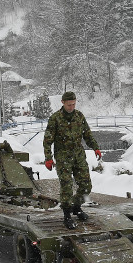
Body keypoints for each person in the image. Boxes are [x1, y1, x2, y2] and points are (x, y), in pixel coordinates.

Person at [43, 91, 102, 229]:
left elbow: (87, 135)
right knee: (66, 187)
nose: (71, 107)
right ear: (63, 103)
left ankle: (76, 206)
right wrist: (48, 158)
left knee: (86, 186)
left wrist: (95, 148)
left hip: (78, 156)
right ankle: (67, 215)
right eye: (69, 105)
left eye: (74, 104)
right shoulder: (55, 119)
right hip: (63, 157)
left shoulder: (79, 116)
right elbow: (47, 141)